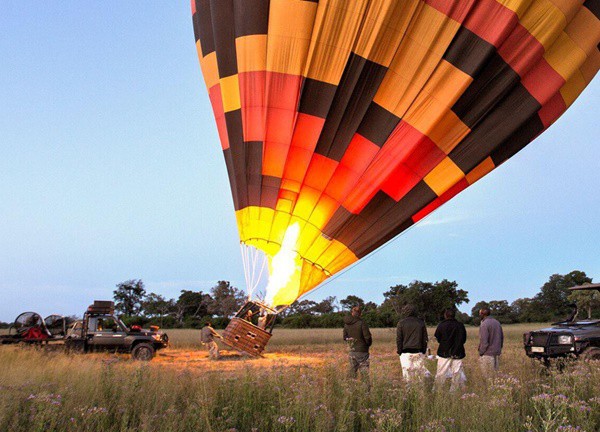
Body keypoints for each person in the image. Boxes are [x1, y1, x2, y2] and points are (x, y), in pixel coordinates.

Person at [434, 308, 467, 391]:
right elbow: (463, 339)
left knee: (441, 372)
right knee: (456, 373)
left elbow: (438, 337)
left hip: (444, 352)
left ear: (445, 315)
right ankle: (453, 391)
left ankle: (437, 390)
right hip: (458, 352)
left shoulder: (441, 325)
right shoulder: (460, 325)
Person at [396, 304, 431, 383]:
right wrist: (423, 351)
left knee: (407, 375)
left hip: (405, 352)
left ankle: (409, 392)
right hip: (418, 351)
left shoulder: (401, 323)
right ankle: (420, 392)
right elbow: (425, 339)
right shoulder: (421, 323)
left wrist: (399, 351)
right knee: (419, 375)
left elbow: (399, 339)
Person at [343, 306, 372, 379]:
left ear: (352, 313)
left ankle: (351, 389)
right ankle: (366, 390)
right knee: (364, 374)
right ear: (360, 314)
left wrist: (350, 344)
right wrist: (367, 345)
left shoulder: (347, 324)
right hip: (362, 351)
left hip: (352, 350)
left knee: (352, 373)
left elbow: (345, 337)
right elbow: (367, 337)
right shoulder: (362, 323)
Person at [478, 307, 504, 375]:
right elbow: (501, 337)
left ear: (483, 314)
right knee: (495, 375)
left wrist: (481, 352)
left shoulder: (484, 324)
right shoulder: (497, 322)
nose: (479, 315)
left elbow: (484, 341)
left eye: (480, 314)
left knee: (487, 376)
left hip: (487, 353)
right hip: (496, 352)